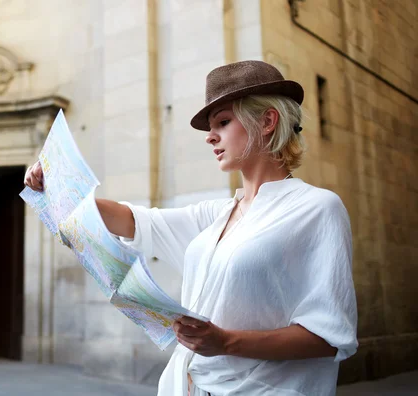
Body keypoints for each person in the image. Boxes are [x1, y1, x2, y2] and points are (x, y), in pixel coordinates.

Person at [24, 60, 358, 396]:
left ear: (268, 120)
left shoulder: (317, 208)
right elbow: (134, 221)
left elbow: (328, 337)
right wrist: (57, 187)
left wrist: (226, 341)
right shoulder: (217, 215)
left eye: (223, 122)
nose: (210, 137)